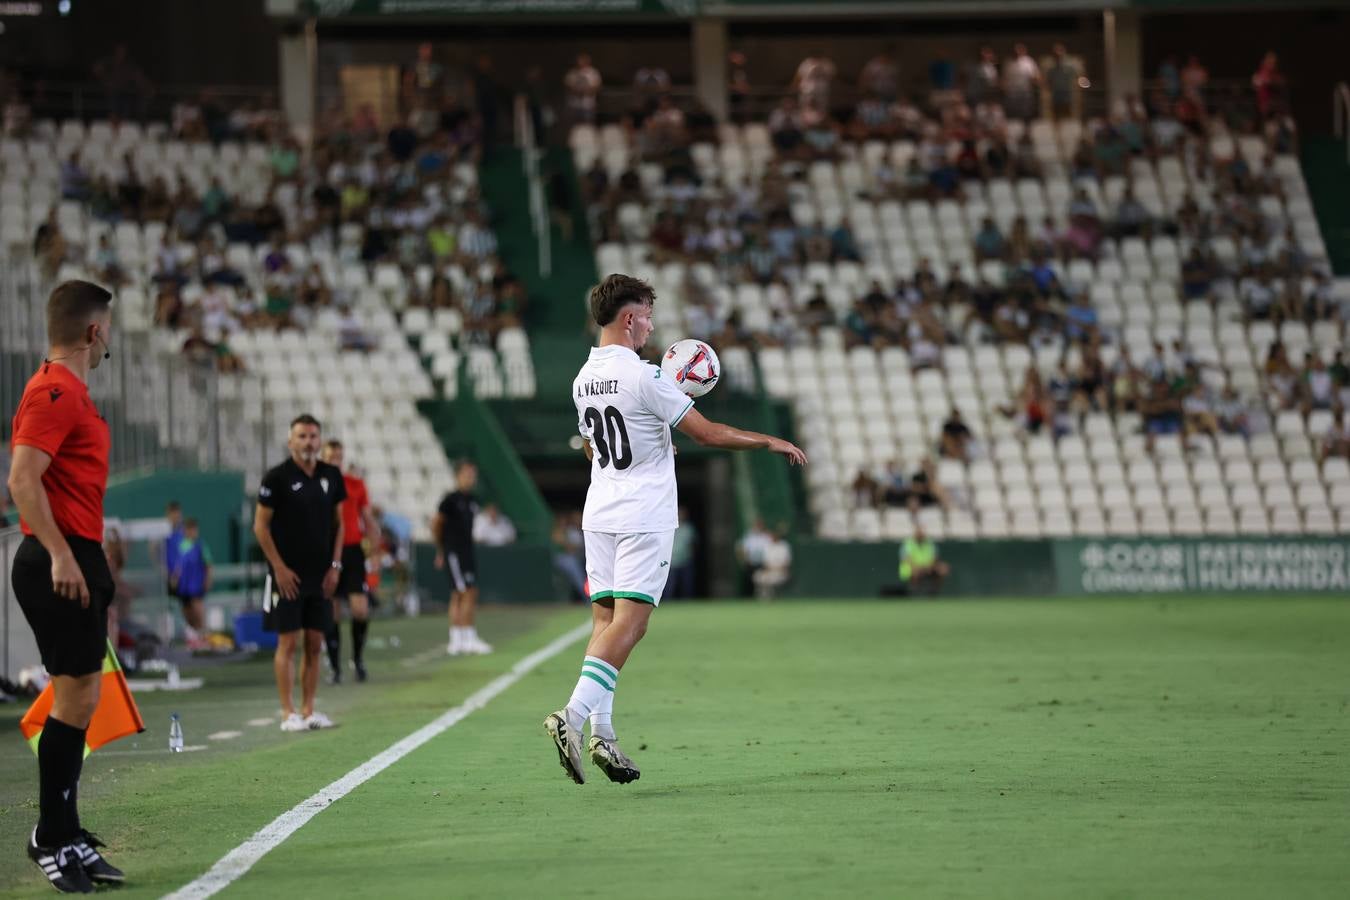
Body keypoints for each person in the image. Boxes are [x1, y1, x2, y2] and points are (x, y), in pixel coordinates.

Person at [544, 274, 807, 785]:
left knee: (605, 623)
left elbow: (594, 449)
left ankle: (603, 734)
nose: (650, 326)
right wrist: (768, 441)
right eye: (646, 316)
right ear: (628, 318)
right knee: (631, 625)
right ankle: (571, 717)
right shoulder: (645, 376)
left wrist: (654, 440)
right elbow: (708, 434)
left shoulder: (582, 378)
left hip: (600, 511)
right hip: (644, 515)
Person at [7, 280, 125, 891]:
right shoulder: (53, 391)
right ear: (94, 331)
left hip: (77, 554)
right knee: (74, 698)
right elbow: (21, 479)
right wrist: (60, 555)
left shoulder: (72, 392)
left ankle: (65, 830)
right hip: (58, 558)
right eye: (108, 329)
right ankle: (51, 836)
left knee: (80, 698)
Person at [252, 415, 346, 733]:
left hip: (320, 575)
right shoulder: (276, 478)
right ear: (290, 441)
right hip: (287, 576)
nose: (308, 442)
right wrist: (279, 568)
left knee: (315, 643)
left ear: (320, 440)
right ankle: (288, 712)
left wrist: (335, 566)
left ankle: (308, 709)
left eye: (313, 436)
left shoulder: (331, 475)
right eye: (302, 436)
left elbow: (340, 524)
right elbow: (260, 526)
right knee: (288, 642)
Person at [320, 440, 380, 684]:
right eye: (331, 457)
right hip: (326, 551)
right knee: (331, 610)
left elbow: (368, 519)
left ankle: (358, 659)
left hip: (352, 550)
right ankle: (335, 667)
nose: (335, 462)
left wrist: (374, 551)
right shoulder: (317, 485)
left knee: (360, 608)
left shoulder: (355, 485)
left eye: (338, 457)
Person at [433, 461, 492, 656]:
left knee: (467, 593)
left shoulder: (472, 500)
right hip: (454, 552)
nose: (470, 478)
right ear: (458, 476)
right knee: (462, 593)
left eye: (473, 475)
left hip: (467, 551)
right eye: (467, 474)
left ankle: (462, 638)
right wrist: (441, 550)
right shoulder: (450, 500)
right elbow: (437, 524)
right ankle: (462, 638)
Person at [169, 518, 212, 650]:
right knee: (187, 611)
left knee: (197, 609)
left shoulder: (200, 545)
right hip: (184, 586)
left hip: (196, 584)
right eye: (188, 529)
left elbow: (208, 565)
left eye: (193, 529)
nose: (191, 532)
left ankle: (203, 635)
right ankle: (194, 636)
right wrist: (175, 578)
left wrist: (207, 580)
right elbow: (179, 565)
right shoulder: (182, 546)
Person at [900, 526, 949, 595]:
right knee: (915, 571)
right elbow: (907, 560)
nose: (921, 535)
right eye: (919, 533)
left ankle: (934, 592)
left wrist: (929, 567)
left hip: (927, 567)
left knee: (943, 569)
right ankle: (915, 592)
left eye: (922, 533)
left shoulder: (929, 543)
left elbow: (935, 558)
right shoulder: (908, 543)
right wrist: (918, 568)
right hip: (912, 568)